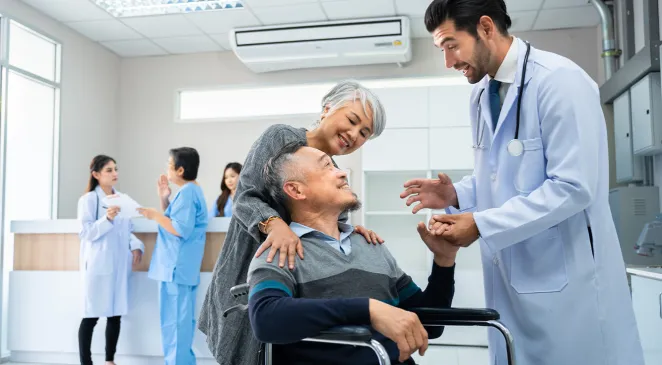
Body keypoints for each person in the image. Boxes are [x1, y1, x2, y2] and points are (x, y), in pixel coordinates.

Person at [399, 1, 645, 365]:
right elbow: (502, 175)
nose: (448, 61)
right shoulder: (482, 93)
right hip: (510, 281)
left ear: (485, 27)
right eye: (442, 50)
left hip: (567, 289)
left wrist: (481, 224)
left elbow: (573, 186)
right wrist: (456, 193)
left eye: (452, 45)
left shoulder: (560, 80)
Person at [199, 80, 388, 365]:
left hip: (292, 290)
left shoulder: (336, 176)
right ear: (327, 108)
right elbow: (245, 196)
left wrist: (351, 235)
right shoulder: (281, 139)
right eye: (352, 120)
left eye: (364, 133)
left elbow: (329, 231)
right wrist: (274, 223)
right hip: (249, 272)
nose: (353, 135)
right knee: (244, 347)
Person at [248, 143, 458, 365]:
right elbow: (265, 318)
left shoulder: (370, 245)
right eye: (327, 166)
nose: (341, 173)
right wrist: (367, 309)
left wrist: (444, 261)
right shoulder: (281, 250)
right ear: (296, 190)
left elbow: (429, 326)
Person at [138, 147, 209, 365]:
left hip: (175, 269)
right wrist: (164, 199)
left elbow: (180, 229)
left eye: (169, 165)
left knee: (176, 326)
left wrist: (155, 215)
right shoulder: (190, 192)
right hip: (179, 269)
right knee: (179, 325)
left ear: (180, 169)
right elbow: (177, 223)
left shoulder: (188, 193)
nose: (166, 170)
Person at [77, 155, 144, 365]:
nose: (114, 173)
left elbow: (127, 230)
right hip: (98, 264)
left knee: (115, 314)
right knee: (91, 315)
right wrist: (107, 219)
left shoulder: (121, 199)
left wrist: (135, 245)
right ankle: (85, 362)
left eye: (115, 169)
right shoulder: (89, 199)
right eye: (109, 170)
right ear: (96, 175)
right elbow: (86, 232)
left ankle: (109, 360)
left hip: (118, 264)